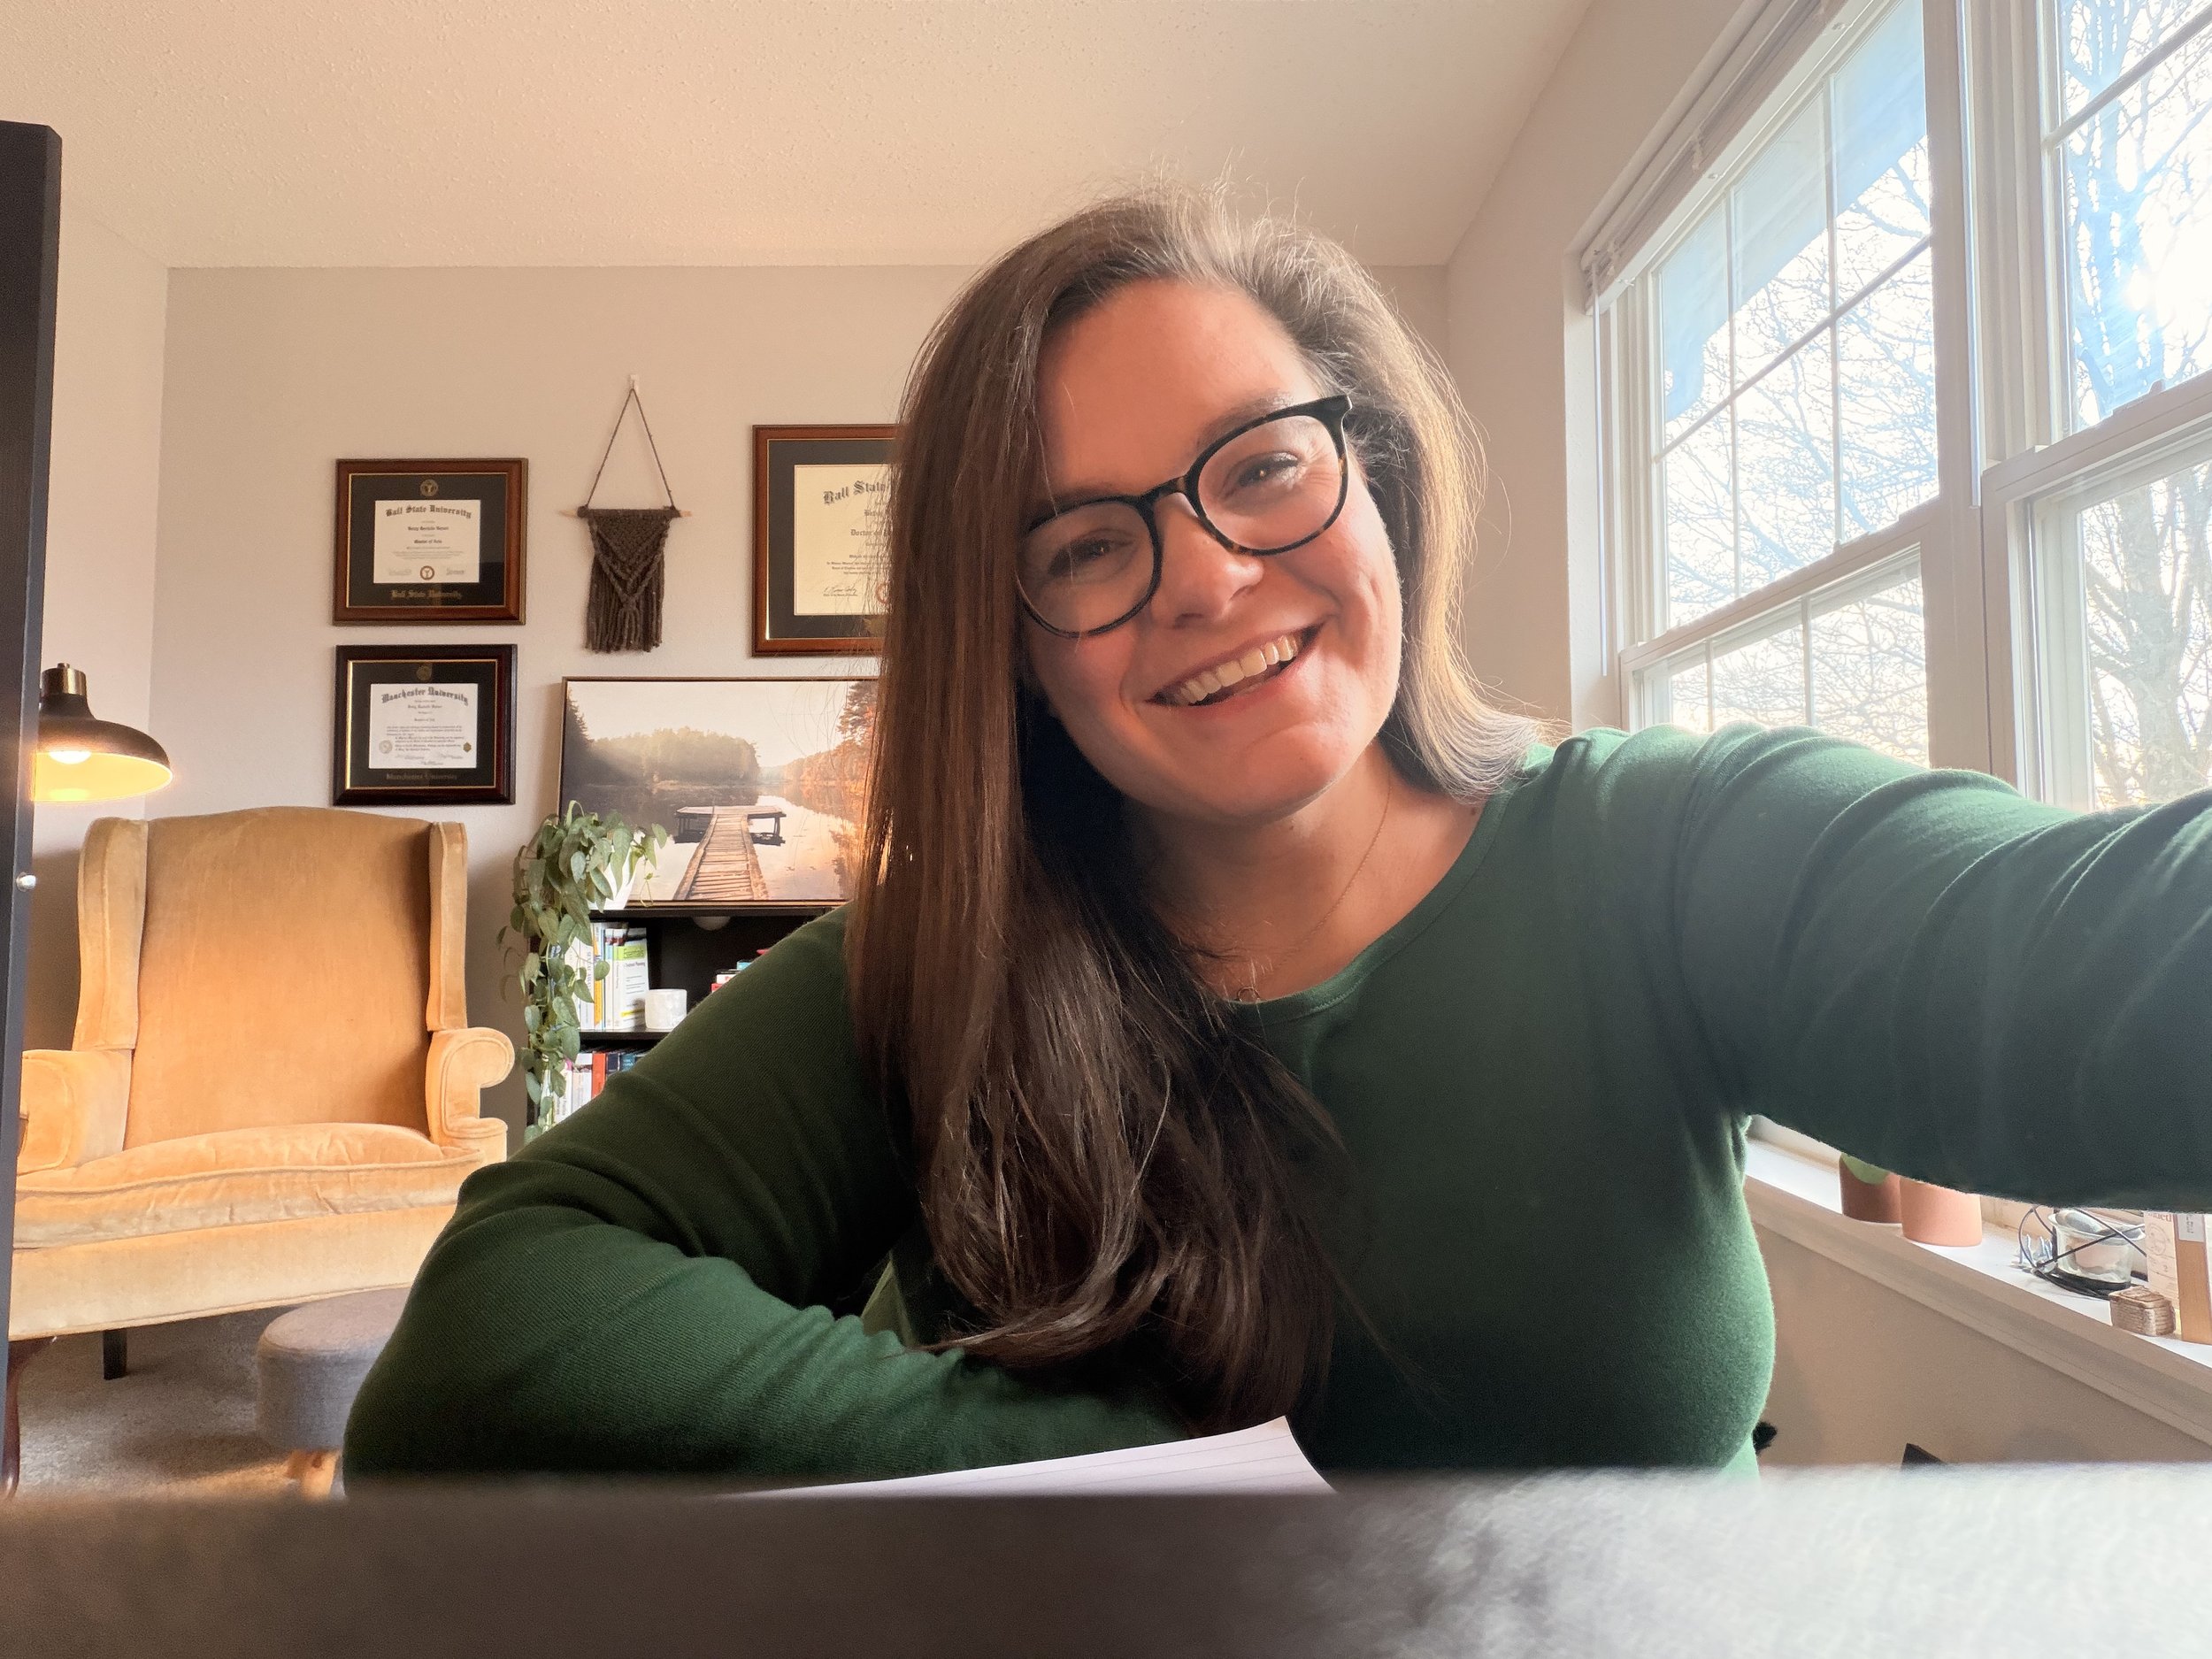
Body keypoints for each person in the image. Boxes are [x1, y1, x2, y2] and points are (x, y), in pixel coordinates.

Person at [346, 189, 2212, 1480]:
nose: (1208, 574)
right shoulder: (924, 980)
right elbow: (486, 1334)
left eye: (1261, 464)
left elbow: (2099, 959)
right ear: (1012, 647)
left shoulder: (1663, 847)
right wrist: (1119, 1481)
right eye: (1084, 542)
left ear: (1375, 474)